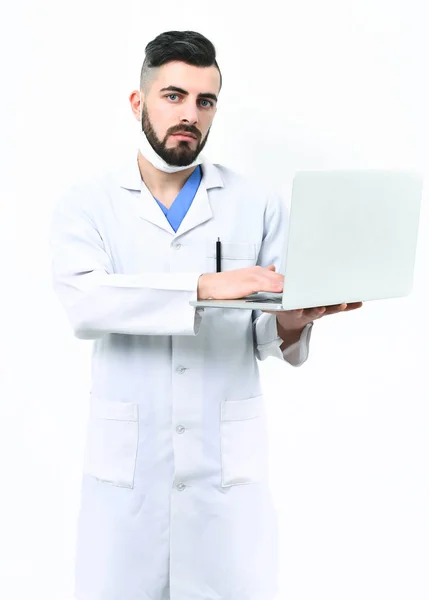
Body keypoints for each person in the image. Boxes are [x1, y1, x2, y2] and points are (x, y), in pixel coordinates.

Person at [49, 30, 362, 600]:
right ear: (138, 102)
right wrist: (206, 286)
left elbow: (268, 333)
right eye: (173, 96)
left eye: (205, 101)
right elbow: (86, 303)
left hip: (224, 473)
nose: (189, 114)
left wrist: (296, 320)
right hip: (130, 478)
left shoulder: (256, 201)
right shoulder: (89, 203)